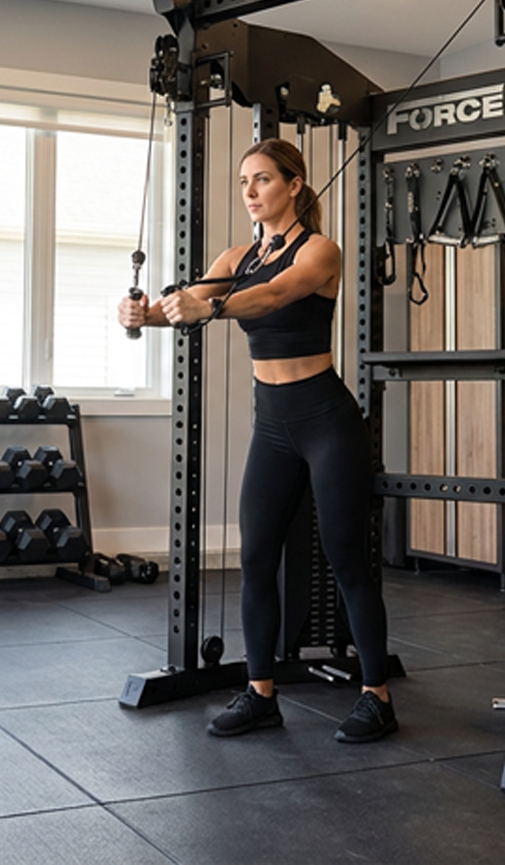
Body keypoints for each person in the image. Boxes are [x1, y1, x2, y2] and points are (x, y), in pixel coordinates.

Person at [117, 138, 395, 744]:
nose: (250, 191)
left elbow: (274, 294)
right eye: (244, 181)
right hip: (272, 425)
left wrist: (207, 306)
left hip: (326, 420)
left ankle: (376, 695)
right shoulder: (236, 255)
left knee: (347, 559)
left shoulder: (321, 251)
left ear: (294, 185)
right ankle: (261, 694)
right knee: (255, 559)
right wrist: (144, 315)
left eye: (263, 179)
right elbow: (188, 306)